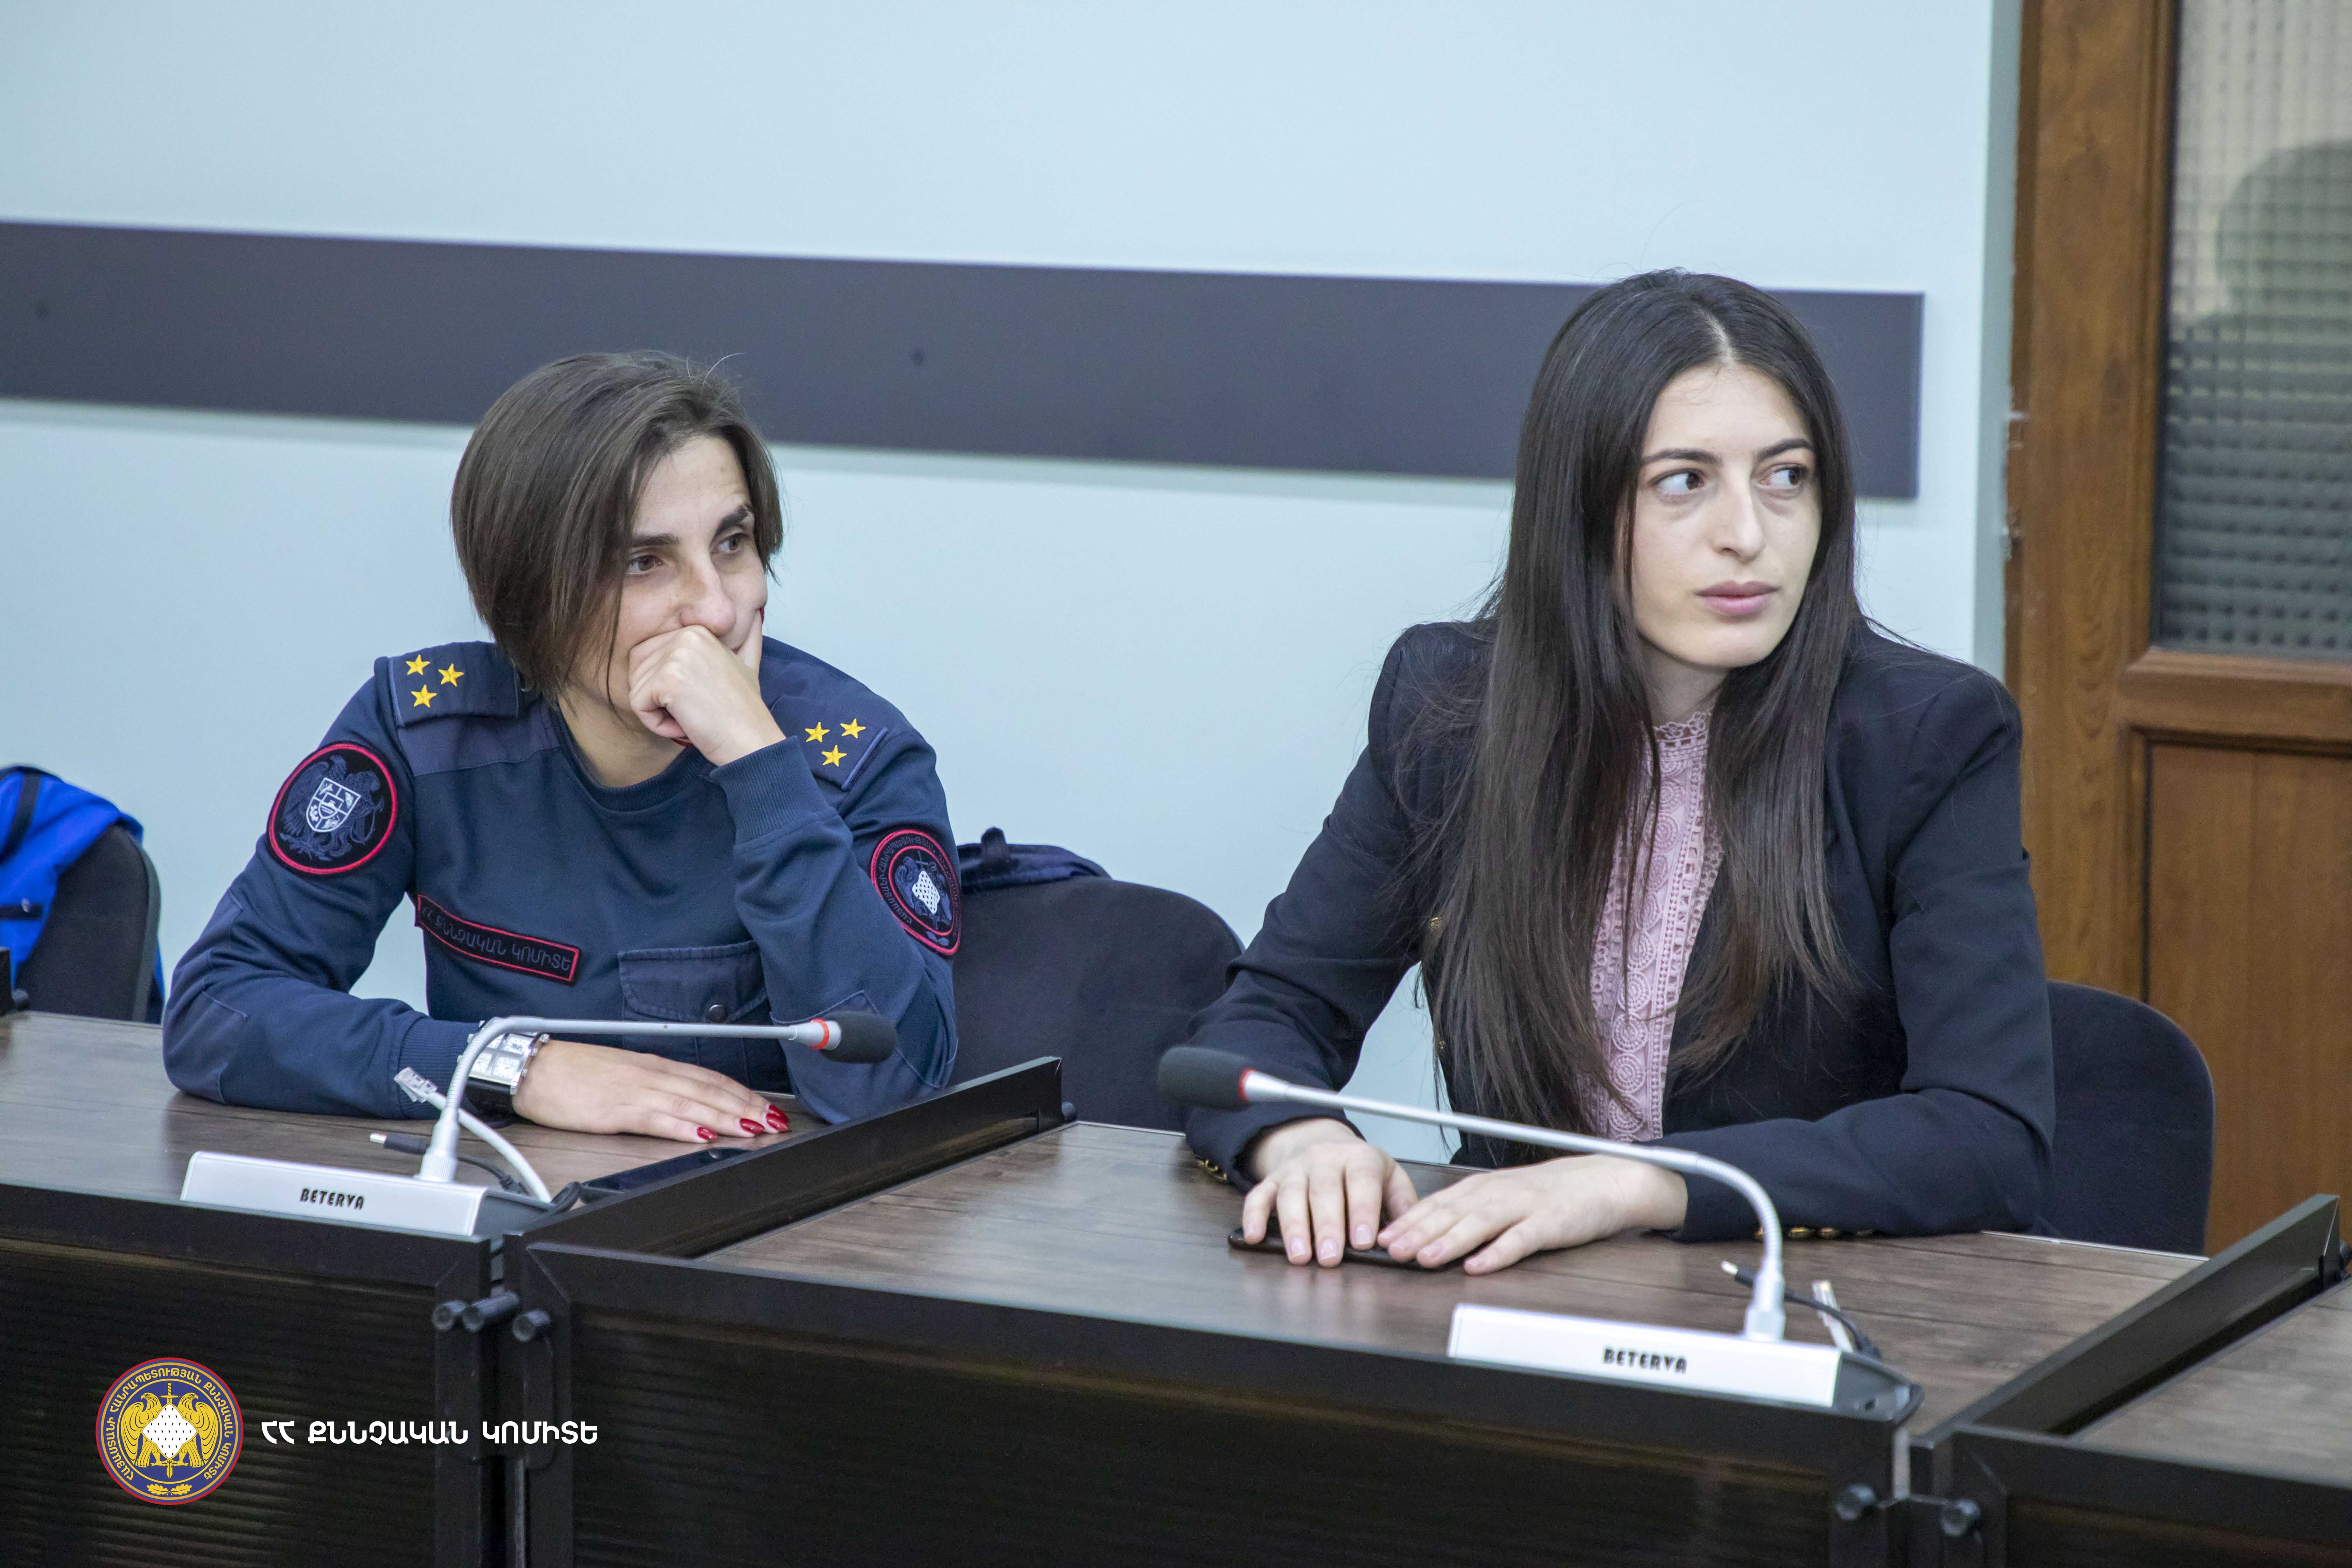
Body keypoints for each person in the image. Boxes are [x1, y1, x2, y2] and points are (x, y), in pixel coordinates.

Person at [1185, 271, 2052, 1273]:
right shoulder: (1449, 711)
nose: (1749, 534)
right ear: (1581, 507)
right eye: (1684, 482)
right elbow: (1263, 1020)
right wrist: (1299, 1139)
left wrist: (1633, 1184)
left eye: (1786, 476)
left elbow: (1987, 1135)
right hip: (1505, 1295)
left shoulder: (1928, 736)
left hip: (1795, 1301)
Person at [165, 353, 960, 1140]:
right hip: (500, 1195)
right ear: (529, 591)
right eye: (644, 563)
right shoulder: (426, 736)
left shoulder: (860, 760)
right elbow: (217, 1012)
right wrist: (510, 1066)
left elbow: (894, 1087)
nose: (717, 610)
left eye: (732, 543)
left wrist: (762, 770)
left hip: (754, 1207)